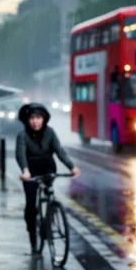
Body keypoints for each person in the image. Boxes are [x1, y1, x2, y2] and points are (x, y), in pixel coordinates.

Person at [15, 103, 79, 254]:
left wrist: (72, 167)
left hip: (47, 168)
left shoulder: (50, 132)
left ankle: (50, 212)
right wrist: (25, 170)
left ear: (43, 119)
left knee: (49, 193)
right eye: (32, 118)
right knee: (31, 204)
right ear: (27, 120)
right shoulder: (22, 135)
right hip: (30, 171)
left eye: (38, 118)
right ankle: (32, 232)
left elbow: (59, 151)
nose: (35, 121)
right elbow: (20, 154)